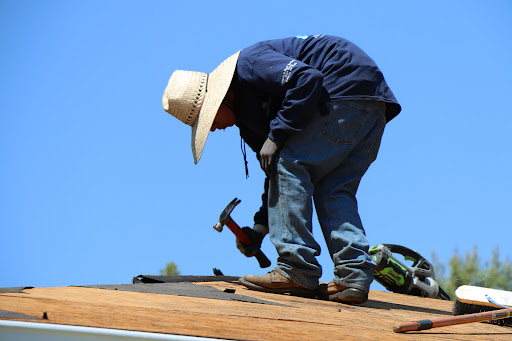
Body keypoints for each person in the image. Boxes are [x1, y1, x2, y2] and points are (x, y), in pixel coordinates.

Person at [162, 34, 401, 304]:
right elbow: (275, 173)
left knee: (291, 162)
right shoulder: (250, 122)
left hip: (343, 89)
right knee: (332, 189)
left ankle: (296, 268)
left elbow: (307, 78)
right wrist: (260, 228)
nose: (213, 128)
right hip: (371, 106)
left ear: (218, 100)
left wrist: (276, 137)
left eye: (209, 121)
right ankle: (353, 276)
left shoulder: (248, 65)